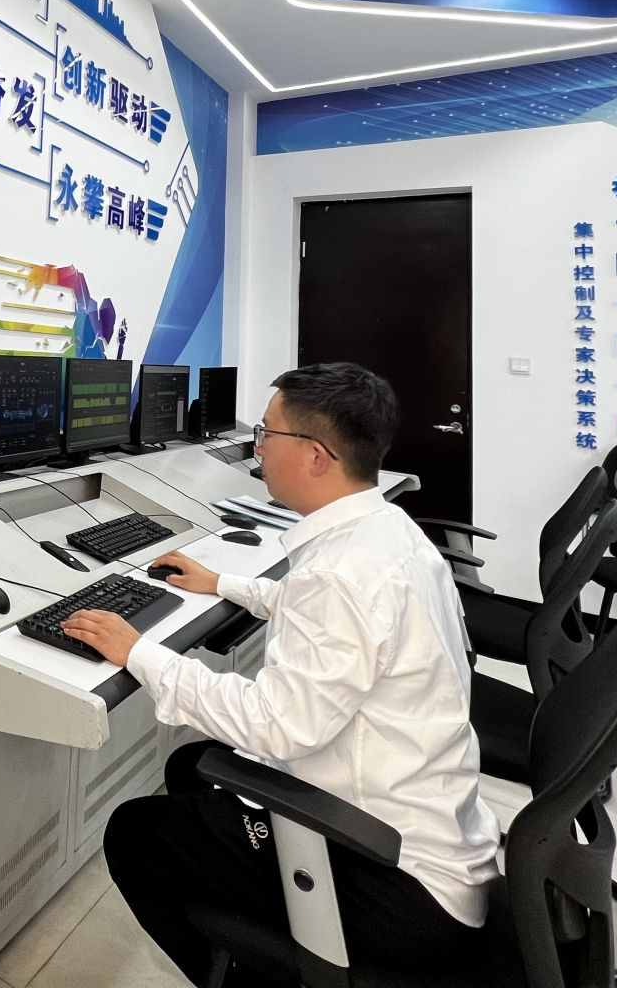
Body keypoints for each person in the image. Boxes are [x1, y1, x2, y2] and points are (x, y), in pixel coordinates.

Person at [62, 362, 498, 984]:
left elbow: (275, 727)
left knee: (136, 832)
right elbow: (329, 615)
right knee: (191, 765)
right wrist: (224, 584)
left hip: (391, 878)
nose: (258, 448)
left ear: (316, 456)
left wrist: (139, 652)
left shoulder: (339, 575)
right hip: (430, 833)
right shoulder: (385, 532)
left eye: (267, 433)